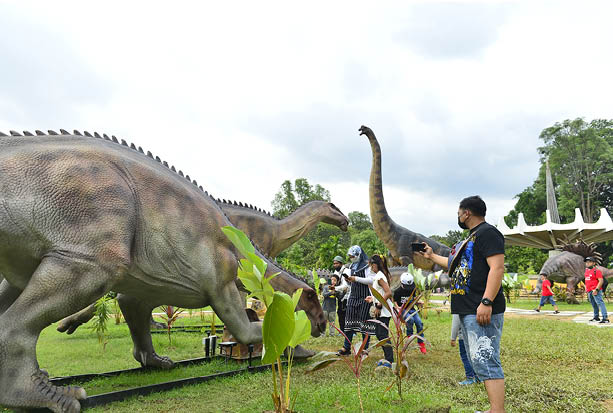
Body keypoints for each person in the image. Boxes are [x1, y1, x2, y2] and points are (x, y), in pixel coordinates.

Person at [418, 195, 506, 413]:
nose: (457, 215)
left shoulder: (488, 233)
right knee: (478, 360)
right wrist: (431, 256)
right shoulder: (470, 239)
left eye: (459, 211)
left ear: (467, 212)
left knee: (486, 360)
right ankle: (494, 409)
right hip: (467, 309)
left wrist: (487, 301)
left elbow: (497, 268)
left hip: (481, 307)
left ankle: (497, 411)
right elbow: (452, 264)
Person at [337, 245, 375, 356]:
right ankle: (346, 347)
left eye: (353, 256)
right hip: (353, 296)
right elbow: (351, 283)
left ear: (359, 254)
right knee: (348, 322)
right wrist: (348, 280)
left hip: (365, 297)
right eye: (350, 256)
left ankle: (364, 349)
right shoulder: (352, 266)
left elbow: (371, 280)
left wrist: (356, 278)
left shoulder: (367, 266)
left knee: (364, 323)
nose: (351, 258)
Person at [364, 254, 395, 368]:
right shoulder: (379, 275)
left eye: (371, 265)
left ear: (375, 264)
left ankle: (390, 361)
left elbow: (388, 292)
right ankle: (388, 359)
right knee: (380, 334)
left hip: (384, 311)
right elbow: (382, 293)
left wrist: (378, 306)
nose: (371, 268)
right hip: (381, 309)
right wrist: (372, 299)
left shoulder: (380, 276)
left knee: (382, 335)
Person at [393, 272, 427, 354]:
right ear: (401, 283)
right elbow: (394, 301)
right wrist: (397, 307)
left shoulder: (412, 289)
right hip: (403, 310)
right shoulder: (398, 291)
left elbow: (414, 299)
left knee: (419, 322)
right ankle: (409, 336)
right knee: (410, 320)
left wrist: (418, 302)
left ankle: (421, 342)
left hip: (411, 309)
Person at [451, 313, 478, 385]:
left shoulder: (459, 306)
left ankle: (470, 377)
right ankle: (478, 377)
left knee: (465, 357)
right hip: (475, 335)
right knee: (475, 356)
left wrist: (453, 338)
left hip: (463, 337)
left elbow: (456, 323)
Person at [584, 257, 609, 324]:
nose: (587, 263)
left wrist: (596, 289)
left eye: (589, 262)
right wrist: (586, 288)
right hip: (589, 290)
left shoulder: (596, 271)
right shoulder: (586, 271)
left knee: (600, 303)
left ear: (594, 263)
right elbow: (587, 280)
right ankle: (596, 317)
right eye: (586, 262)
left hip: (596, 290)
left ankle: (605, 318)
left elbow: (601, 281)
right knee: (594, 304)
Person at [332, 256, 350, 332]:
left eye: (336, 263)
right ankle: (342, 330)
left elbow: (346, 286)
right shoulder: (336, 272)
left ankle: (350, 331)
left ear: (341, 263)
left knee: (347, 314)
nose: (335, 265)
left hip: (347, 296)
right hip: (340, 296)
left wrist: (335, 288)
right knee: (340, 313)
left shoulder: (347, 271)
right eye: (334, 263)